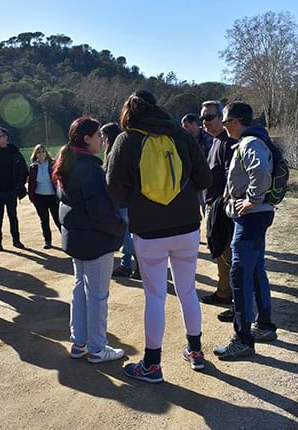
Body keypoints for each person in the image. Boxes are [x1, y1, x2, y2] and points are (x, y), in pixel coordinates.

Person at [107, 91, 212, 382]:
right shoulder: (181, 135)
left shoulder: (126, 140)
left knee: (155, 295)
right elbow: (205, 178)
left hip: (148, 230)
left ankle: (152, 365)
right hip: (187, 226)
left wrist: (138, 197)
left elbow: (114, 189)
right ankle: (196, 351)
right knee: (187, 290)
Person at [53, 117, 126, 364]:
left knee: (80, 292)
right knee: (97, 296)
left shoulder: (67, 163)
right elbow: (101, 212)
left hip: (77, 239)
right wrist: (120, 229)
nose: (102, 140)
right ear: (87, 139)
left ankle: (80, 342)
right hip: (95, 241)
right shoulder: (90, 169)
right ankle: (96, 347)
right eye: (98, 136)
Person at [213, 102, 278, 361]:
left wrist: (251, 198)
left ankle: (243, 341)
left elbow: (260, 171)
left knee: (239, 276)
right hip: (258, 216)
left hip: (250, 217)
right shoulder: (257, 139)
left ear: (236, 122)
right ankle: (264, 326)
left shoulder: (249, 143)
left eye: (225, 121)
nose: (223, 126)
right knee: (256, 269)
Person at [199, 101, 236, 315]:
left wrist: (222, 205)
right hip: (214, 204)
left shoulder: (227, 143)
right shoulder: (214, 141)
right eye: (203, 118)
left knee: (227, 252)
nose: (205, 122)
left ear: (222, 118)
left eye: (209, 117)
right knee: (220, 251)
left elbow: (232, 179)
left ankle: (233, 300)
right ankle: (223, 292)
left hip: (223, 207)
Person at [101, 122, 138, 279]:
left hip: (121, 201)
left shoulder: (114, 153)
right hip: (125, 200)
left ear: (108, 137)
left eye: (103, 136)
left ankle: (140, 265)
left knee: (125, 236)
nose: (101, 139)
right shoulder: (122, 149)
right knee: (127, 235)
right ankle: (126, 265)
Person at [0, 126, 28, 251]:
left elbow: (24, 170)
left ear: (5, 137)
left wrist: (19, 185)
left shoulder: (14, 151)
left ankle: (16, 240)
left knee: (13, 216)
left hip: (11, 190)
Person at [27, 144, 61, 249]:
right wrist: (31, 196)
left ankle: (66, 239)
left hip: (52, 197)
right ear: (35, 154)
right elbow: (31, 183)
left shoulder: (52, 164)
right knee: (44, 220)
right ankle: (48, 241)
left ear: (46, 153)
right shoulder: (33, 167)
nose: (41, 154)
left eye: (43, 151)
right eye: (38, 152)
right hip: (39, 198)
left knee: (58, 219)